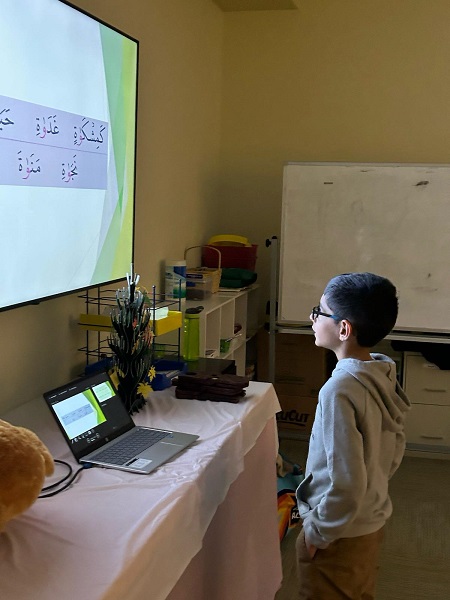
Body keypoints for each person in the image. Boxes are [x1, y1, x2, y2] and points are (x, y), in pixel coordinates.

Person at [295, 272, 411, 600]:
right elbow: (395, 448)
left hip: (338, 533)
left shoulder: (339, 390)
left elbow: (346, 481)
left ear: (344, 329)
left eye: (319, 312)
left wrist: (318, 532)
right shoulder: (382, 373)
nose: (313, 319)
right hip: (369, 522)